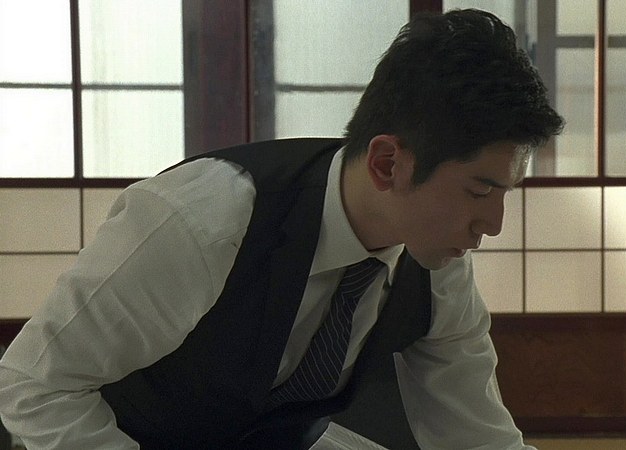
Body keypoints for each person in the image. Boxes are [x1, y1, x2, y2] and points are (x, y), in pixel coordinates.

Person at [0, 8, 563, 449]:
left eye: (506, 193)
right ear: (387, 163)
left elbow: (477, 437)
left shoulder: (435, 265)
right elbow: (34, 384)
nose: (493, 225)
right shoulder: (208, 220)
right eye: (479, 191)